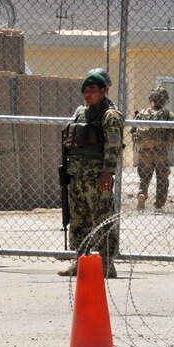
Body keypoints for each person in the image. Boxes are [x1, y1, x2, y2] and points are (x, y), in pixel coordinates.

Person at [59, 68, 124, 278]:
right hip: (78, 176)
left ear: (104, 90)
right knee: (79, 220)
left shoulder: (110, 116)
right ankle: (81, 261)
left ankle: (106, 263)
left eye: (93, 90)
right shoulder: (81, 112)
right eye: (85, 90)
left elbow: (113, 147)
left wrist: (108, 172)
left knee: (103, 219)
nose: (88, 94)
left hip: (98, 178)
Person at [130, 86, 174, 210]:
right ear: (165, 99)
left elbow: (132, 130)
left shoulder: (142, 113)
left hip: (144, 150)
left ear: (152, 98)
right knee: (162, 177)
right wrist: (165, 142)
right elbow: (173, 133)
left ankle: (142, 194)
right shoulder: (168, 114)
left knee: (144, 176)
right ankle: (159, 204)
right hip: (160, 150)